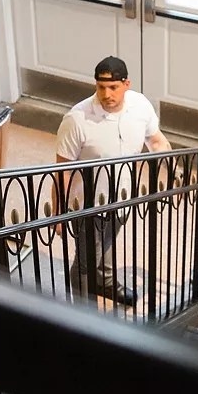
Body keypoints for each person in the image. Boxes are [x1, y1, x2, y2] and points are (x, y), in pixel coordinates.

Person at [55, 57, 170, 306]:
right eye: (101, 87)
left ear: (127, 84)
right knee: (86, 261)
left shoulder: (140, 106)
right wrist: (60, 213)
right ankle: (84, 312)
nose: (106, 94)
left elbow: (157, 141)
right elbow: (62, 171)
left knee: (106, 244)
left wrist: (170, 173)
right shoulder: (77, 119)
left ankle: (104, 282)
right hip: (89, 206)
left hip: (122, 198)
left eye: (113, 87)